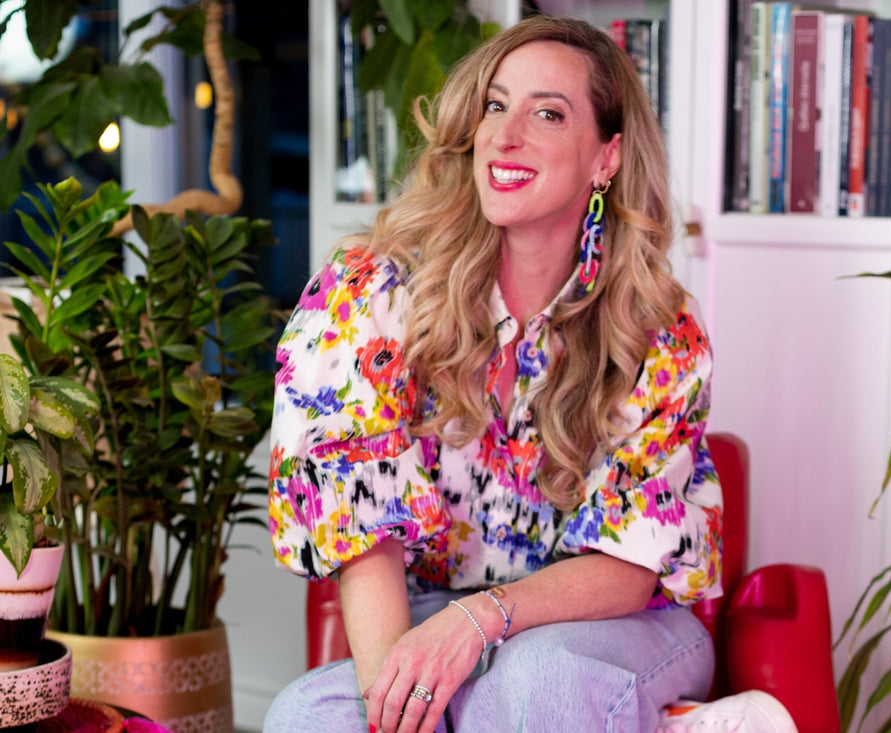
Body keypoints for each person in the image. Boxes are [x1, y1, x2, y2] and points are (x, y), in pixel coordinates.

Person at [264, 15, 796, 733]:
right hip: (431, 611)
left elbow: (631, 564)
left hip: (618, 623)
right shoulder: (369, 292)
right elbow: (360, 527)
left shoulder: (657, 328)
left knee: (538, 678)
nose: (504, 136)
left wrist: (484, 619)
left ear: (606, 157)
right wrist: (406, 708)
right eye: (495, 105)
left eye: (547, 113)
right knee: (308, 717)